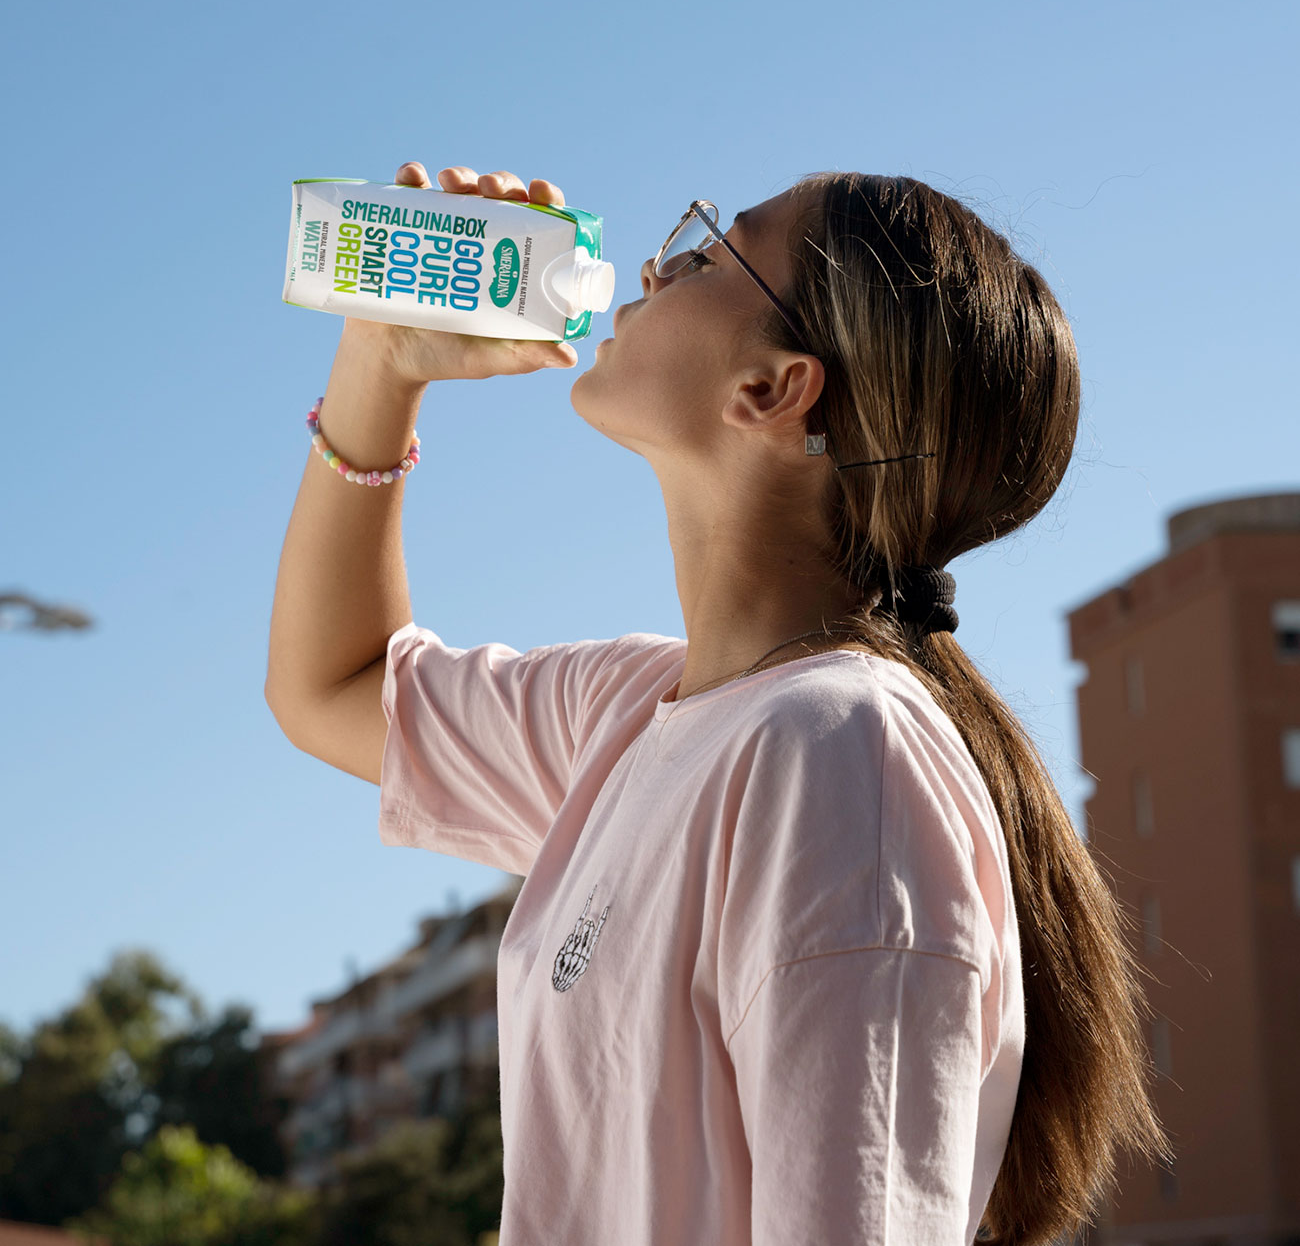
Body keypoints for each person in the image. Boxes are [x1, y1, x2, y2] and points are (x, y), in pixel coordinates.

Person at [266, 161, 1173, 1245]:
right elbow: (334, 687)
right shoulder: (644, 711)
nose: (652, 262)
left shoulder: (843, 758)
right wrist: (382, 359)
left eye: (706, 248)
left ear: (774, 387)